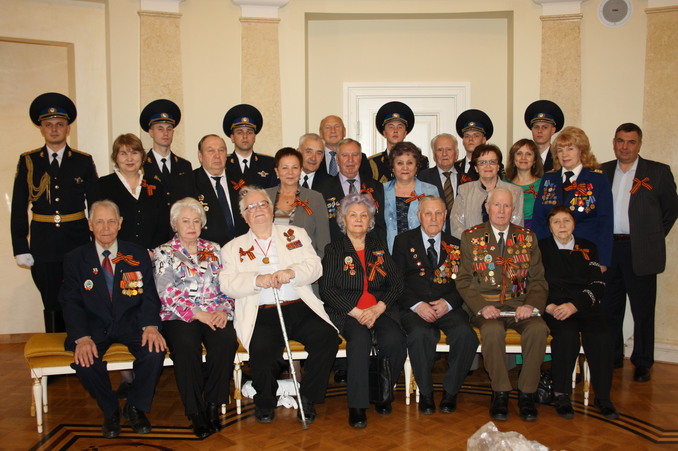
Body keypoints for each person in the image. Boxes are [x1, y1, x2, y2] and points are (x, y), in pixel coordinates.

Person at [219, 187, 340, 425]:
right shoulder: (232, 248)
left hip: (299, 306)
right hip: (262, 312)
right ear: (244, 216)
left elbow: (315, 267)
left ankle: (307, 397)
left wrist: (292, 272)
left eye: (262, 204)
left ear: (272, 209)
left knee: (327, 339)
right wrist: (256, 280)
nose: (258, 210)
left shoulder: (295, 234)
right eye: (251, 207)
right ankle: (265, 402)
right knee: (263, 354)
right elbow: (227, 285)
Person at [59, 200, 166, 438]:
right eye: (99, 222)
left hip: (132, 323)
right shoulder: (75, 259)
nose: (105, 227)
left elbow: (149, 295)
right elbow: (70, 302)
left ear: (120, 223)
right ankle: (110, 411)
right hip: (93, 327)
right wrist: (82, 337)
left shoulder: (137, 253)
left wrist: (150, 325)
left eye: (111, 221)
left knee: (155, 351)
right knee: (85, 361)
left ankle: (135, 407)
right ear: (90, 225)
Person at [456, 188, 549, 422]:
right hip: (486, 306)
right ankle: (500, 393)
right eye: (496, 205)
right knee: (492, 331)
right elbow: (463, 280)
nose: (501, 210)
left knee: (538, 329)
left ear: (513, 209)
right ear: (487, 208)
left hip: (519, 305)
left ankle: (527, 393)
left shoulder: (527, 238)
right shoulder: (471, 237)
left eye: (506, 206)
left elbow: (538, 280)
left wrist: (530, 305)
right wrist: (481, 307)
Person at [11, 92, 98, 333]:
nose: (54, 129)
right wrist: (20, 246)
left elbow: (95, 205)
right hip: (44, 242)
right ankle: (53, 350)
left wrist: (98, 242)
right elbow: (19, 206)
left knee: (80, 296)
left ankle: (80, 345)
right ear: (41, 128)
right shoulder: (29, 161)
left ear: (68, 128)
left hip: (77, 240)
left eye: (59, 124)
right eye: (48, 125)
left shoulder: (82, 161)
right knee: (50, 300)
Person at [320, 193, 406, 428]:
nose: (358, 219)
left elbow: (396, 283)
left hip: (378, 309)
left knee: (395, 339)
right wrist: (357, 312)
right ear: (343, 220)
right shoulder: (334, 249)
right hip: (348, 312)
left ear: (370, 221)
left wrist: (379, 308)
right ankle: (357, 405)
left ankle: (382, 392)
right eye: (353, 215)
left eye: (364, 215)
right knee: (360, 340)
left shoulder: (379, 247)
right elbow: (327, 290)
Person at [153, 198, 237, 438]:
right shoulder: (163, 252)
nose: (191, 226)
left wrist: (223, 310)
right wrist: (198, 314)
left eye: (196, 221)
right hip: (179, 316)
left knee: (225, 341)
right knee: (186, 346)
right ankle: (195, 411)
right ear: (175, 224)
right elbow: (166, 292)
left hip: (214, 311)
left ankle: (213, 404)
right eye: (185, 221)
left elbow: (227, 286)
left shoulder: (215, 249)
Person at [601, 123, 678, 381]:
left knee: (642, 311)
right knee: (610, 307)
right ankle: (613, 356)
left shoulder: (657, 172)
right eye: (620, 141)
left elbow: (671, 210)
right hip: (610, 249)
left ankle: (643, 361)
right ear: (614, 142)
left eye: (631, 142)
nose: (625, 147)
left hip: (641, 251)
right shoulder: (602, 171)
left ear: (639, 144)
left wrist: (650, 237)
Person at [392, 195, 478, 415]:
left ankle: (451, 391)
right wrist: (416, 304)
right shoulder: (403, 241)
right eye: (428, 213)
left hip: (447, 307)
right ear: (419, 215)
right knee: (420, 335)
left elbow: (464, 283)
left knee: (466, 336)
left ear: (445, 215)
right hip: (414, 307)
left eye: (438, 213)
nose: (433, 218)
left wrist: (448, 303)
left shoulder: (456, 244)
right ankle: (426, 392)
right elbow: (396, 282)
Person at [539, 205, 619, 420]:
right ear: (549, 226)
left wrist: (575, 306)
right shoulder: (540, 248)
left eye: (566, 220)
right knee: (566, 337)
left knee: (602, 338)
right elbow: (535, 284)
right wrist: (549, 306)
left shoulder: (588, 247)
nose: (562, 225)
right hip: (555, 309)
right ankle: (561, 395)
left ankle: (603, 398)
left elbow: (597, 284)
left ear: (574, 224)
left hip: (585, 307)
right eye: (556, 221)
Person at [532, 126, 614, 267]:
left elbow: (605, 222)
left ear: (581, 150)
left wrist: (602, 261)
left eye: (570, 149)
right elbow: (538, 219)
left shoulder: (597, 179)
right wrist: (538, 255)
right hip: (551, 255)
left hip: (586, 253)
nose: (565, 154)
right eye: (560, 150)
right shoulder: (549, 178)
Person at [94, 134, 170, 250]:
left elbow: (163, 225)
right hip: (115, 255)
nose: (129, 159)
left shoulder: (155, 186)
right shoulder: (103, 185)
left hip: (151, 255)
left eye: (134, 153)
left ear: (142, 156)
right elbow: (98, 225)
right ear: (115, 157)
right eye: (123, 154)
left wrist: (153, 252)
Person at [182, 134, 248, 246]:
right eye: (211, 151)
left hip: (243, 247)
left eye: (221, 150)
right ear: (200, 156)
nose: (217, 155)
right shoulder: (187, 183)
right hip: (206, 249)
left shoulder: (241, 180)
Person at [317, 138, 386, 242]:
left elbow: (381, 225)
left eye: (355, 155)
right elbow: (320, 228)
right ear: (337, 159)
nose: (350, 160)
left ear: (361, 158)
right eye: (345, 155)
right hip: (335, 248)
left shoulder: (377, 187)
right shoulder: (322, 189)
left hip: (370, 249)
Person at [265, 147, 330, 258]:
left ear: (300, 170)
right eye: (285, 168)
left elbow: (324, 242)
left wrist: (316, 265)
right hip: (271, 262)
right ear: (277, 171)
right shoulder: (264, 197)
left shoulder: (315, 198)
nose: (290, 172)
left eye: (295, 167)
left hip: (305, 264)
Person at [450, 144, 524, 239]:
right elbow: (456, 224)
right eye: (482, 162)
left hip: (505, 245)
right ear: (476, 168)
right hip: (471, 244)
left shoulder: (515, 191)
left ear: (498, 166)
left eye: (492, 162)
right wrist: (473, 242)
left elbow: (517, 225)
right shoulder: (464, 190)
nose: (488, 166)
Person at [383, 141, 439, 252]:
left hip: (422, 252)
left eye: (409, 163)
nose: (405, 167)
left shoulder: (430, 190)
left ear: (417, 166)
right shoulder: (381, 190)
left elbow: (438, 224)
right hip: (389, 252)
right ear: (392, 167)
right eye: (400, 163)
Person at [140, 99, 193, 204]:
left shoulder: (184, 166)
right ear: (151, 132)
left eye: (169, 129)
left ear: (173, 132)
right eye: (160, 129)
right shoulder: (141, 166)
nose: (165, 133)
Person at [369, 101, 428, 183]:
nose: (395, 130)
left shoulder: (420, 159)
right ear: (384, 133)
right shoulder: (373, 162)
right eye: (391, 127)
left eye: (400, 127)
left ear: (405, 133)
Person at [224, 104, 278, 189]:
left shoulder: (269, 164)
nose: (245, 136)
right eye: (239, 132)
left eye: (249, 132)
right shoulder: (223, 163)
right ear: (232, 137)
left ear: (254, 137)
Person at [418, 133, 461, 232]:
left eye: (449, 149)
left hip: (461, 235)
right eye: (440, 150)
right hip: (433, 233)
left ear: (457, 154)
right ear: (434, 155)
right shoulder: (423, 177)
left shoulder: (467, 179)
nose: (444, 154)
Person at [504, 139, 544, 230]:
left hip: (536, 232)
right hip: (509, 231)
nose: (523, 157)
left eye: (528, 154)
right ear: (513, 158)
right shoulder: (504, 184)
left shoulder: (543, 184)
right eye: (519, 153)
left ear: (535, 159)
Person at [318, 115, 370, 181]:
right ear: (321, 133)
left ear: (344, 131)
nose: (333, 131)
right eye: (328, 127)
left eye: (337, 126)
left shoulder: (361, 158)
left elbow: (367, 183)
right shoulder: (315, 158)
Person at [453, 109, 494, 184]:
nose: (471, 139)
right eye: (467, 136)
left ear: (484, 140)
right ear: (463, 141)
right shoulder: (455, 167)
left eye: (476, 136)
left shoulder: (492, 166)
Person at [524, 100, 564, 173]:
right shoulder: (523, 158)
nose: (540, 131)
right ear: (532, 129)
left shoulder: (559, 157)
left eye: (545, 127)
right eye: (536, 127)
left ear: (553, 130)